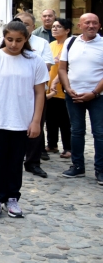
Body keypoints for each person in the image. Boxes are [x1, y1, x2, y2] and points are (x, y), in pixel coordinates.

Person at [0, 21, 48, 219]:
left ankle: (12, 198)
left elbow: (39, 93)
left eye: (19, 40)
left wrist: (36, 121)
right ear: (4, 38)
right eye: (9, 39)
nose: (13, 44)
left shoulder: (34, 60)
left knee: (15, 162)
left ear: (26, 39)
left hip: (22, 121)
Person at [1, 13, 54, 177]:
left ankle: (32, 162)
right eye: (19, 22)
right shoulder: (5, 42)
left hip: (34, 91)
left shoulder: (42, 43)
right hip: (9, 91)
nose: (22, 25)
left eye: (26, 24)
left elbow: (47, 65)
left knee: (35, 126)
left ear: (32, 27)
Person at [58, 13, 103, 184]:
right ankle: (77, 166)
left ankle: (100, 169)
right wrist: (68, 88)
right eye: (87, 23)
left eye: (94, 23)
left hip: (98, 96)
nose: (91, 26)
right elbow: (62, 68)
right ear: (80, 26)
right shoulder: (70, 42)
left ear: (99, 25)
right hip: (74, 95)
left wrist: (94, 92)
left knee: (99, 133)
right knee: (76, 131)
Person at [45, 19, 72, 159]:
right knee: (50, 119)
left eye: (58, 27)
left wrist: (57, 81)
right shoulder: (51, 44)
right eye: (54, 27)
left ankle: (68, 147)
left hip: (63, 89)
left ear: (67, 30)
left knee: (64, 121)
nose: (54, 29)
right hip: (50, 89)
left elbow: (66, 66)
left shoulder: (70, 44)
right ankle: (52, 144)